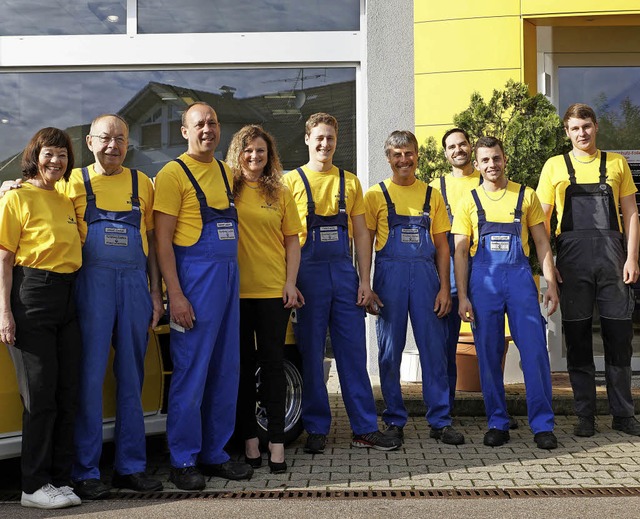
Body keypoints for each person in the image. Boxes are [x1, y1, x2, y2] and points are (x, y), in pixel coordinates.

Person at [0, 116, 164, 499]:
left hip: (134, 286)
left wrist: (156, 292)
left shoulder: (145, 184)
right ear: (90, 142)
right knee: (86, 380)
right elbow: (28, 196)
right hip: (89, 286)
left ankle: (131, 467)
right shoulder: (71, 181)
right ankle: (86, 471)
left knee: (131, 377)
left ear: (128, 144)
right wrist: (6, 186)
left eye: (121, 138)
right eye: (105, 138)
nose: (113, 145)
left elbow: (153, 242)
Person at [283, 112, 401, 454]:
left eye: (330, 138)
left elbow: (362, 235)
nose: (324, 144)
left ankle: (365, 427)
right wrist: (289, 281)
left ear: (337, 141)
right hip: (307, 278)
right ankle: (315, 427)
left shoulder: (350, 182)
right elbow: (284, 238)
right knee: (311, 354)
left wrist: (365, 281)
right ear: (307, 139)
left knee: (352, 354)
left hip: (344, 275)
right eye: (318, 138)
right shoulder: (291, 182)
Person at [154, 102, 253, 491]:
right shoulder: (172, 174)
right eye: (199, 124)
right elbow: (161, 242)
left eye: (213, 122)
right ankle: (182, 459)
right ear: (184, 131)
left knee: (225, 371)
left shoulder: (227, 173)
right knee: (191, 374)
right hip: (194, 283)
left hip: (228, 281)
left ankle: (215, 453)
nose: (207, 129)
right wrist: (174, 295)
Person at [537, 103, 640, 437]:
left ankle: (623, 414)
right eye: (575, 128)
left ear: (596, 127)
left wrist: (632, 258)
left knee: (619, 339)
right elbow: (540, 224)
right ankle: (585, 416)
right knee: (579, 341)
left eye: (587, 126)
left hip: (614, 263)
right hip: (573, 265)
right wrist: (550, 270)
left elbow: (632, 214)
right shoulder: (554, 167)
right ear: (567, 132)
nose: (582, 133)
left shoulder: (616, 163)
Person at [453, 136, 559, 450]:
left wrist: (550, 283)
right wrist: (462, 297)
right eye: (485, 160)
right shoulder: (468, 201)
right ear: (477, 163)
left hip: (519, 281)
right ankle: (497, 422)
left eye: (496, 158)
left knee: (535, 350)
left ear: (505, 158)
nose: (491, 165)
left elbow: (541, 244)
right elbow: (460, 253)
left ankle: (543, 425)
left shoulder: (525, 196)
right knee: (488, 352)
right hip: (483, 282)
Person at [0, 128, 83, 509]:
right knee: (39, 395)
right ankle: (32, 485)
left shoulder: (64, 200)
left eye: (63, 155)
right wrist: (4, 313)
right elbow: (3, 258)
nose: (56, 161)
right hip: (31, 294)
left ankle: (59, 478)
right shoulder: (15, 197)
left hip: (67, 295)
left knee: (66, 392)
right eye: (49, 154)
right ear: (35, 155)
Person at [364, 130, 464, 446]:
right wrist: (365, 284)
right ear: (388, 158)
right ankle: (393, 419)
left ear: (417, 156)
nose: (403, 160)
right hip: (388, 279)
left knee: (434, 351)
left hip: (425, 278)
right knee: (389, 352)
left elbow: (443, 246)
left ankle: (440, 420)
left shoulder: (432, 196)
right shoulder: (374, 195)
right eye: (397, 154)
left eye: (408, 153)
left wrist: (444, 288)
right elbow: (365, 244)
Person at [226, 125, 303, 474]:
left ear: (269, 155)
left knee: (272, 367)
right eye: (247, 151)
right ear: (237, 154)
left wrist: (290, 282)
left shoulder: (280, 192)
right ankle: (249, 441)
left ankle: (275, 442)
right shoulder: (227, 189)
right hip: (236, 293)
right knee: (241, 368)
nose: (254, 157)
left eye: (260, 151)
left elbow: (292, 241)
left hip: (273, 291)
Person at [430, 128, 482, 409]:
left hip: (484, 271)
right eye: (451, 147)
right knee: (444, 347)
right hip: (448, 274)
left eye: (462, 144)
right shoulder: (437, 187)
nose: (458, 150)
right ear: (446, 153)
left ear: (471, 147)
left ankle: (494, 411)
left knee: (487, 344)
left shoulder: (487, 177)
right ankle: (444, 410)